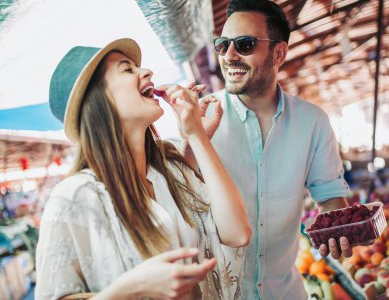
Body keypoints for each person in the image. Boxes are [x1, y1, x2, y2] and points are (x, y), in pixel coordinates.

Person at [36, 38, 251, 300]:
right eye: (127, 70)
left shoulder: (170, 170)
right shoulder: (74, 197)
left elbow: (237, 233)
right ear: (98, 102)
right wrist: (129, 289)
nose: (146, 71)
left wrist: (197, 135)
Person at [182, 0, 353, 298]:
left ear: (279, 53)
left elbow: (331, 197)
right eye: (223, 45)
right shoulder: (198, 119)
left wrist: (338, 230)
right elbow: (175, 195)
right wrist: (192, 139)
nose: (229, 56)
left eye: (245, 44)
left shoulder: (312, 121)